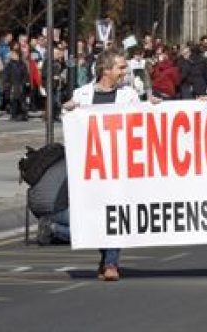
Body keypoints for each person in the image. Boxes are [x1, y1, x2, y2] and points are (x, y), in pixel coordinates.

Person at [65, 49, 143, 282]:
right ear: (106, 70)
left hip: (119, 166)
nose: (125, 72)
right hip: (92, 167)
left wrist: (154, 106)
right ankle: (105, 255)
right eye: (120, 67)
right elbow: (71, 126)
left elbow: (142, 121)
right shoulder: (82, 94)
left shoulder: (129, 95)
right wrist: (67, 109)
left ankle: (111, 263)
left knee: (116, 212)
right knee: (96, 215)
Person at [2, 49, 30, 121]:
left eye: (14, 54)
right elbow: (6, 74)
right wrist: (6, 83)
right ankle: (14, 115)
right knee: (13, 100)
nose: (12, 55)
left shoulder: (22, 64)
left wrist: (25, 82)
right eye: (12, 54)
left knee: (21, 100)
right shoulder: (9, 64)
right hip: (12, 85)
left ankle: (23, 115)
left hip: (20, 84)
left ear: (18, 55)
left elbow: (25, 74)